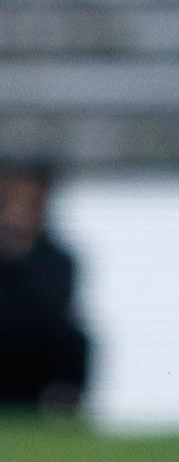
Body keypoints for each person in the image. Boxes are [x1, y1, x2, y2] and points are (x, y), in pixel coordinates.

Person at [0, 163, 90, 413]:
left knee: (74, 339)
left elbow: (53, 307)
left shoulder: (56, 258)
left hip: (32, 348)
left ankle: (63, 409)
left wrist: (21, 252)